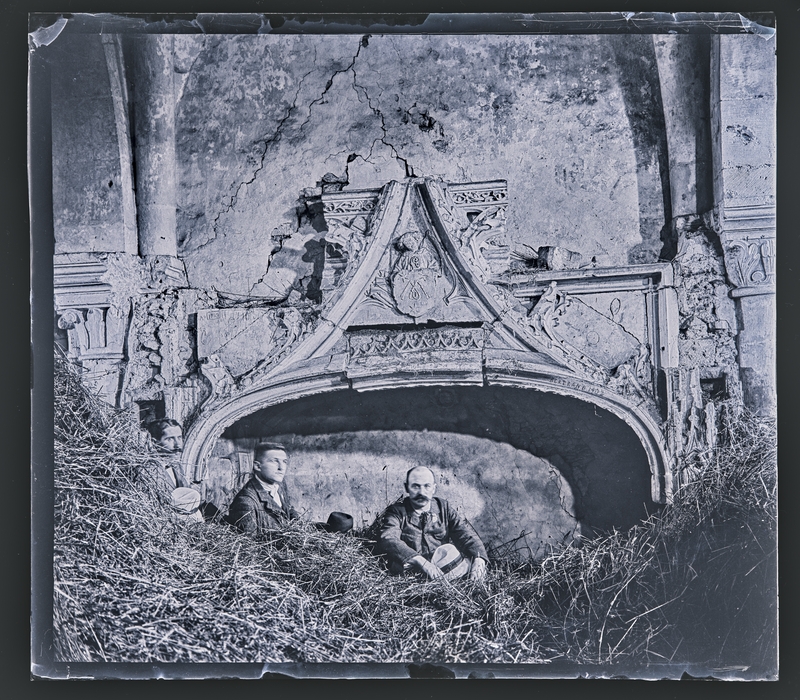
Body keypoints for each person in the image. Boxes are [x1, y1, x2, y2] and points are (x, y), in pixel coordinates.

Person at [376, 466, 489, 581]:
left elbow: (466, 534)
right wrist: (422, 562)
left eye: (427, 486)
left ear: (434, 488)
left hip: (447, 571)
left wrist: (479, 560)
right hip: (410, 578)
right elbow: (388, 538)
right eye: (415, 486)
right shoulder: (396, 512)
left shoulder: (444, 508)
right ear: (407, 488)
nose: (421, 492)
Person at [226, 442, 300, 535]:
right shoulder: (245, 502)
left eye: (284, 461)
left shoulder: (278, 487)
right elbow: (248, 546)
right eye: (275, 461)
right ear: (257, 466)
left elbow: (286, 511)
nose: (281, 468)